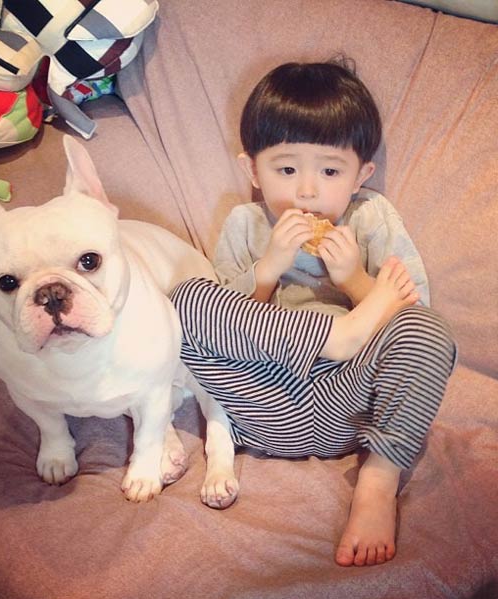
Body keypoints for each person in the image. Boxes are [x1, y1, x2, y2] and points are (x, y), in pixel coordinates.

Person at [170, 60, 457, 567]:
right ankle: (338, 334)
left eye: (329, 171)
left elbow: (410, 310)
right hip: (257, 401)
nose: (306, 191)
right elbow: (225, 325)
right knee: (186, 300)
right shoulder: (244, 223)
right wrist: (267, 270)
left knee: (430, 330)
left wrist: (354, 281)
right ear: (252, 170)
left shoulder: (372, 217)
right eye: (285, 169)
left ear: (361, 174)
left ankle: (379, 478)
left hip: (353, 407)